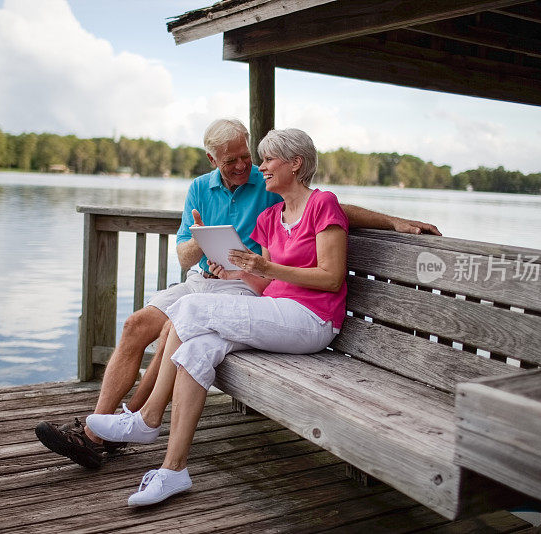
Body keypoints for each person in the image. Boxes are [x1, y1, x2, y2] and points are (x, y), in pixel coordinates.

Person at [35, 119, 440, 469]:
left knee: (180, 327)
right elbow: (183, 255)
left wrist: (393, 220)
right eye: (233, 160)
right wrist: (202, 241)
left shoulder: (269, 187)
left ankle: (113, 429)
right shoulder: (203, 189)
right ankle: (109, 424)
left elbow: (330, 208)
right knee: (137, 324)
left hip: (255, 291)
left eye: (247, 156)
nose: (246, 165)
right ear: (213, 160)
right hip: (214, 276)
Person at [86, 127, 349, 506]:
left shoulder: (323, 204)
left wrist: (267, 267)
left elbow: (331, 278)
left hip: (312, 319)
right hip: (275, 311)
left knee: (189, 307)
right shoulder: (272, 217)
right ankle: (173, 470)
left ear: (296, 163)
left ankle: (147, 418)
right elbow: (261, 285)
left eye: (268, 159)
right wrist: (235, 272)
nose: (260, 167)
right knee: (196, 349)